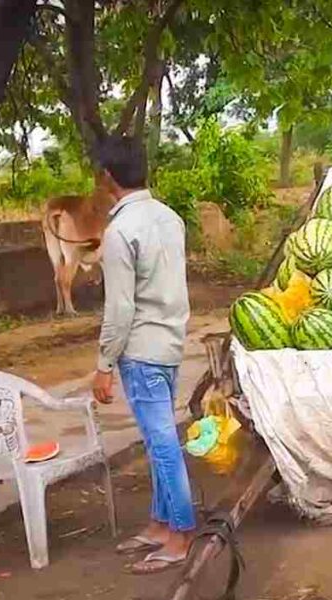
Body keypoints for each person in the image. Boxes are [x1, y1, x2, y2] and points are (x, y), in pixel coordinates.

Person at [91, 135, 195, 575]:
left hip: (141, 350)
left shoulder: (119, 233)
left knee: (162, 443)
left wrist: (103, 364)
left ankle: (180, 534)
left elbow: (120, 309)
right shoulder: (170, 219)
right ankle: (159, 522)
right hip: (170, 343)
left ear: (107, 179)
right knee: (158, 440)